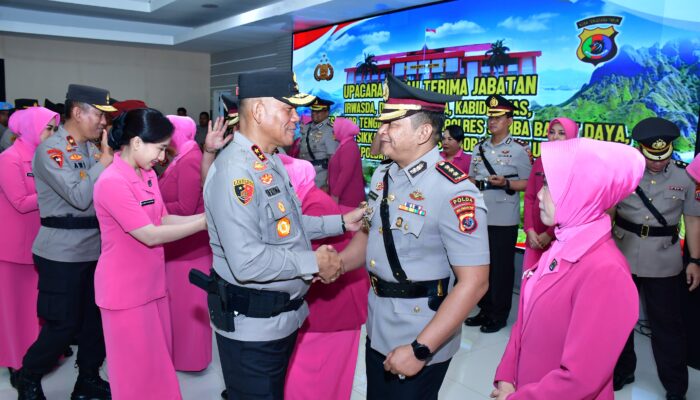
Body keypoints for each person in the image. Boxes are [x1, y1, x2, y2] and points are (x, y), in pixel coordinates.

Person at [201, 71, 363, 400]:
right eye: (288, 109)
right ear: (258, 112)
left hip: (280, 321)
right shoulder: (237, 172)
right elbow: (247, 262)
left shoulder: (267, 160)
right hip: (254, 330)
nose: (297, 118)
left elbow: (286, 223)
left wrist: (341, 224)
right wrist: (313, 262)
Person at [339, 74, 489, 400]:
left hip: (421, 333)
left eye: (392, 124)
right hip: (379, 320)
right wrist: (337, 264)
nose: (381, 131)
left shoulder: (454, 190)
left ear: (422, 132)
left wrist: (421, 349)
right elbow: (369, 234)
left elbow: (475, 282)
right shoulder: (383, 175)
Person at [491, 137, 643, 400]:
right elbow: (524, 321)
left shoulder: (606, 272)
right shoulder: (560, 246)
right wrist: (506, 376)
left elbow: (580, 380)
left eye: (550, 185)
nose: (538, 193)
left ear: (581, 191)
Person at [93, 108, 207, 399]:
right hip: (125, 293)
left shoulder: (146, 175)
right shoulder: (111, 182)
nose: (162, 157)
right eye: (159, 149)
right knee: (134, 373)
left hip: (152, 285)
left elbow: (163, 219)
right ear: (136, 142)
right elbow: (150, 234)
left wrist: (206, 219)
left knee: (157, 366)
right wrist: (205, 222)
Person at [15, 84, 116, 400]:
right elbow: (80, 196)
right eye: (99, 114)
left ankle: (87, 378)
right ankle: (28, 376)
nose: (103, 122)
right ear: (77, 112)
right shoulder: (52, 150)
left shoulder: (89, 148)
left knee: (94, 323)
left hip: (94, 250)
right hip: (61, 253)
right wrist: (105, 161)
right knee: (62, 326)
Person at [611, 117, 700, 400]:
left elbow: (694, 221)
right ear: (640, 149)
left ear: (671, 149)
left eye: (663, 156)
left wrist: (695, 260)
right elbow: (610, 212)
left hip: (664, 260)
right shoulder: (624, 174)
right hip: (622, 254)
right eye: (652, 156)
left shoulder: (686, 178)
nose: (658, 162)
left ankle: (676, 387)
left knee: (667, 327)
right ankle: (623, 370)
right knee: (619, 320)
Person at [280, 154, 369, 400]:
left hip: (330, 310)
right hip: (318, 305)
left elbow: (310, 262)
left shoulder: (314, 204)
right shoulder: (301, 200)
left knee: (315, 383)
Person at [0, 107, 59, 387]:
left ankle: (36, 356)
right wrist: (53, 188)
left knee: (36, 308)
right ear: (31, 129)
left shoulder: (44, 156)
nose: (52, 134)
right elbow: (20, 202)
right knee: (14, 310)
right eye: (48, 128)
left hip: (40, 243)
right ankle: (15, 361)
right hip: (13, 248)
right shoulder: (9, 159)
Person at [465, 95, 532, 333]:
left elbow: (527, 183)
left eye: (498, 117)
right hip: (479, 215)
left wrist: (506, 183)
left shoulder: (518, 151)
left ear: (509, 120)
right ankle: (484, 309)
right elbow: (472, 178)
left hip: (503, 218)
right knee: (481, 266)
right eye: (490, 116)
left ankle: (499, 314)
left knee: (501, 269)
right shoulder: (479, 147)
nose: (492, 121)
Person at [159, 115, 213, 372]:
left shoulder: (190, 160)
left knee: (188, 307)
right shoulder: (181, 157)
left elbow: (186, 206)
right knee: (179, 307)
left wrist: (152, 208)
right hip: (180, 245)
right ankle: (180, 357)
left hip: (189, 247)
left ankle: (191, 360)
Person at [522, 117, 578, 270]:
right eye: (552, 132)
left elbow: (571, 206)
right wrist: (530, 230)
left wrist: (549, 234)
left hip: (559, 237)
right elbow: (529, 197)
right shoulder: (540, 160)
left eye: (561, 133)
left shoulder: (575, 166)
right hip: (534, 236)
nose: (555, 137)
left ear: (571, 137)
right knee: (529, 279)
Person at [298, 97, 337, 189]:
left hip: (320, 175)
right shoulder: (307, 127)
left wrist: (328, 182)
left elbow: (333, 159)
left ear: (326, 113)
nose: (314, 114)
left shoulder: (330, 130)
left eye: (318, 112)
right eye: (313, 111)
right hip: (304, 172)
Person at [327, 117, 365, 208]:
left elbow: (346, 173)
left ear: (342, 130)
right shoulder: (344, 145)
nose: (333, 132)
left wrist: (335, 194)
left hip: (348, 200)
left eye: (335, 129)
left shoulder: (349, 147)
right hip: (342, 198)